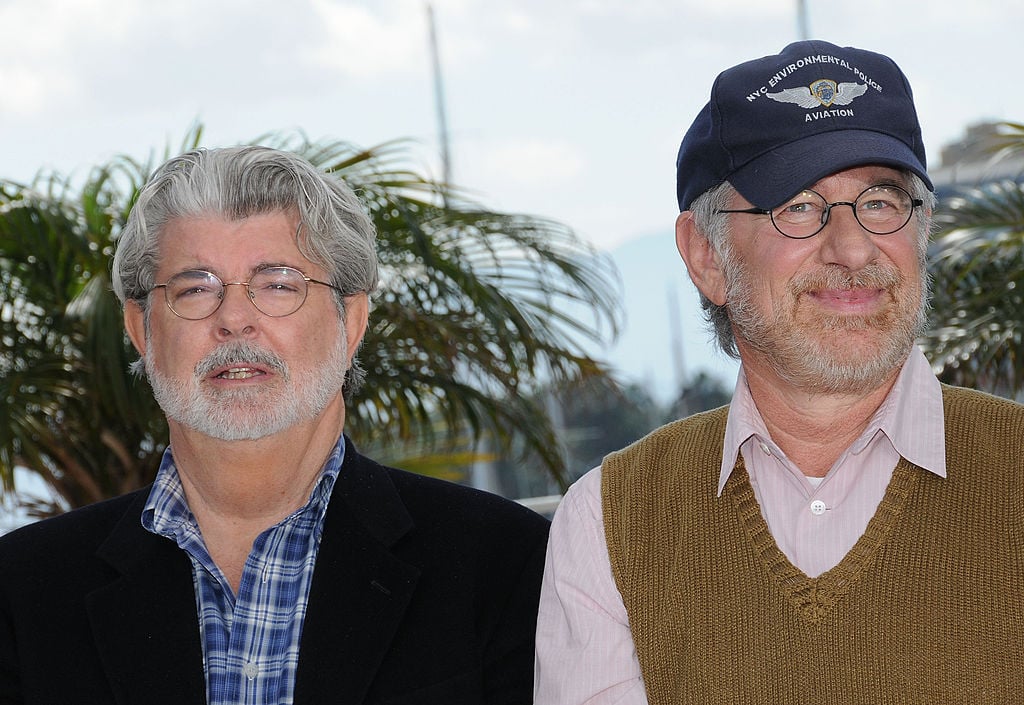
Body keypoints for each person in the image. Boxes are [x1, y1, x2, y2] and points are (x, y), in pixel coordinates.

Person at [534, 39, 1024, 704]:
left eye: (881, 201)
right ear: (705, 255)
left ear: (923, 227)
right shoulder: (608, 524)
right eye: (798, 206)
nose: (853, 249)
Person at [0, 145, 549, 705]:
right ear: (141, 330)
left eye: (278, 284)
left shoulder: (504, 564)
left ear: (351, 321)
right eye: (196, 288)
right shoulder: (22, 591)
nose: (235, 319)